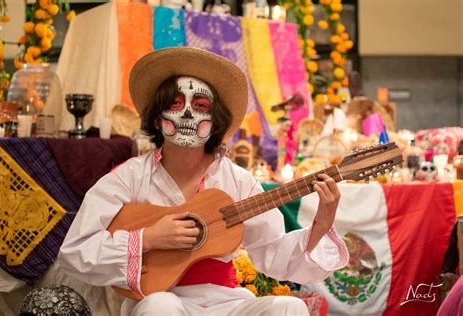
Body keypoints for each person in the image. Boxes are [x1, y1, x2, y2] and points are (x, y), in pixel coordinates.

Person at [58, 47, 349, 315]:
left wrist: (322, 223)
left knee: (289, 308)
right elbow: (75, 251)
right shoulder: (129, 177)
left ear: (215, 122)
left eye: (200, 105)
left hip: (225, 302)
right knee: (161, 306)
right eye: (175, 103)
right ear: (157, 119)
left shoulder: (237, 180)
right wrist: (148, 238)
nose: (187, 113)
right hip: (159, 299)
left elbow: (273, 253)